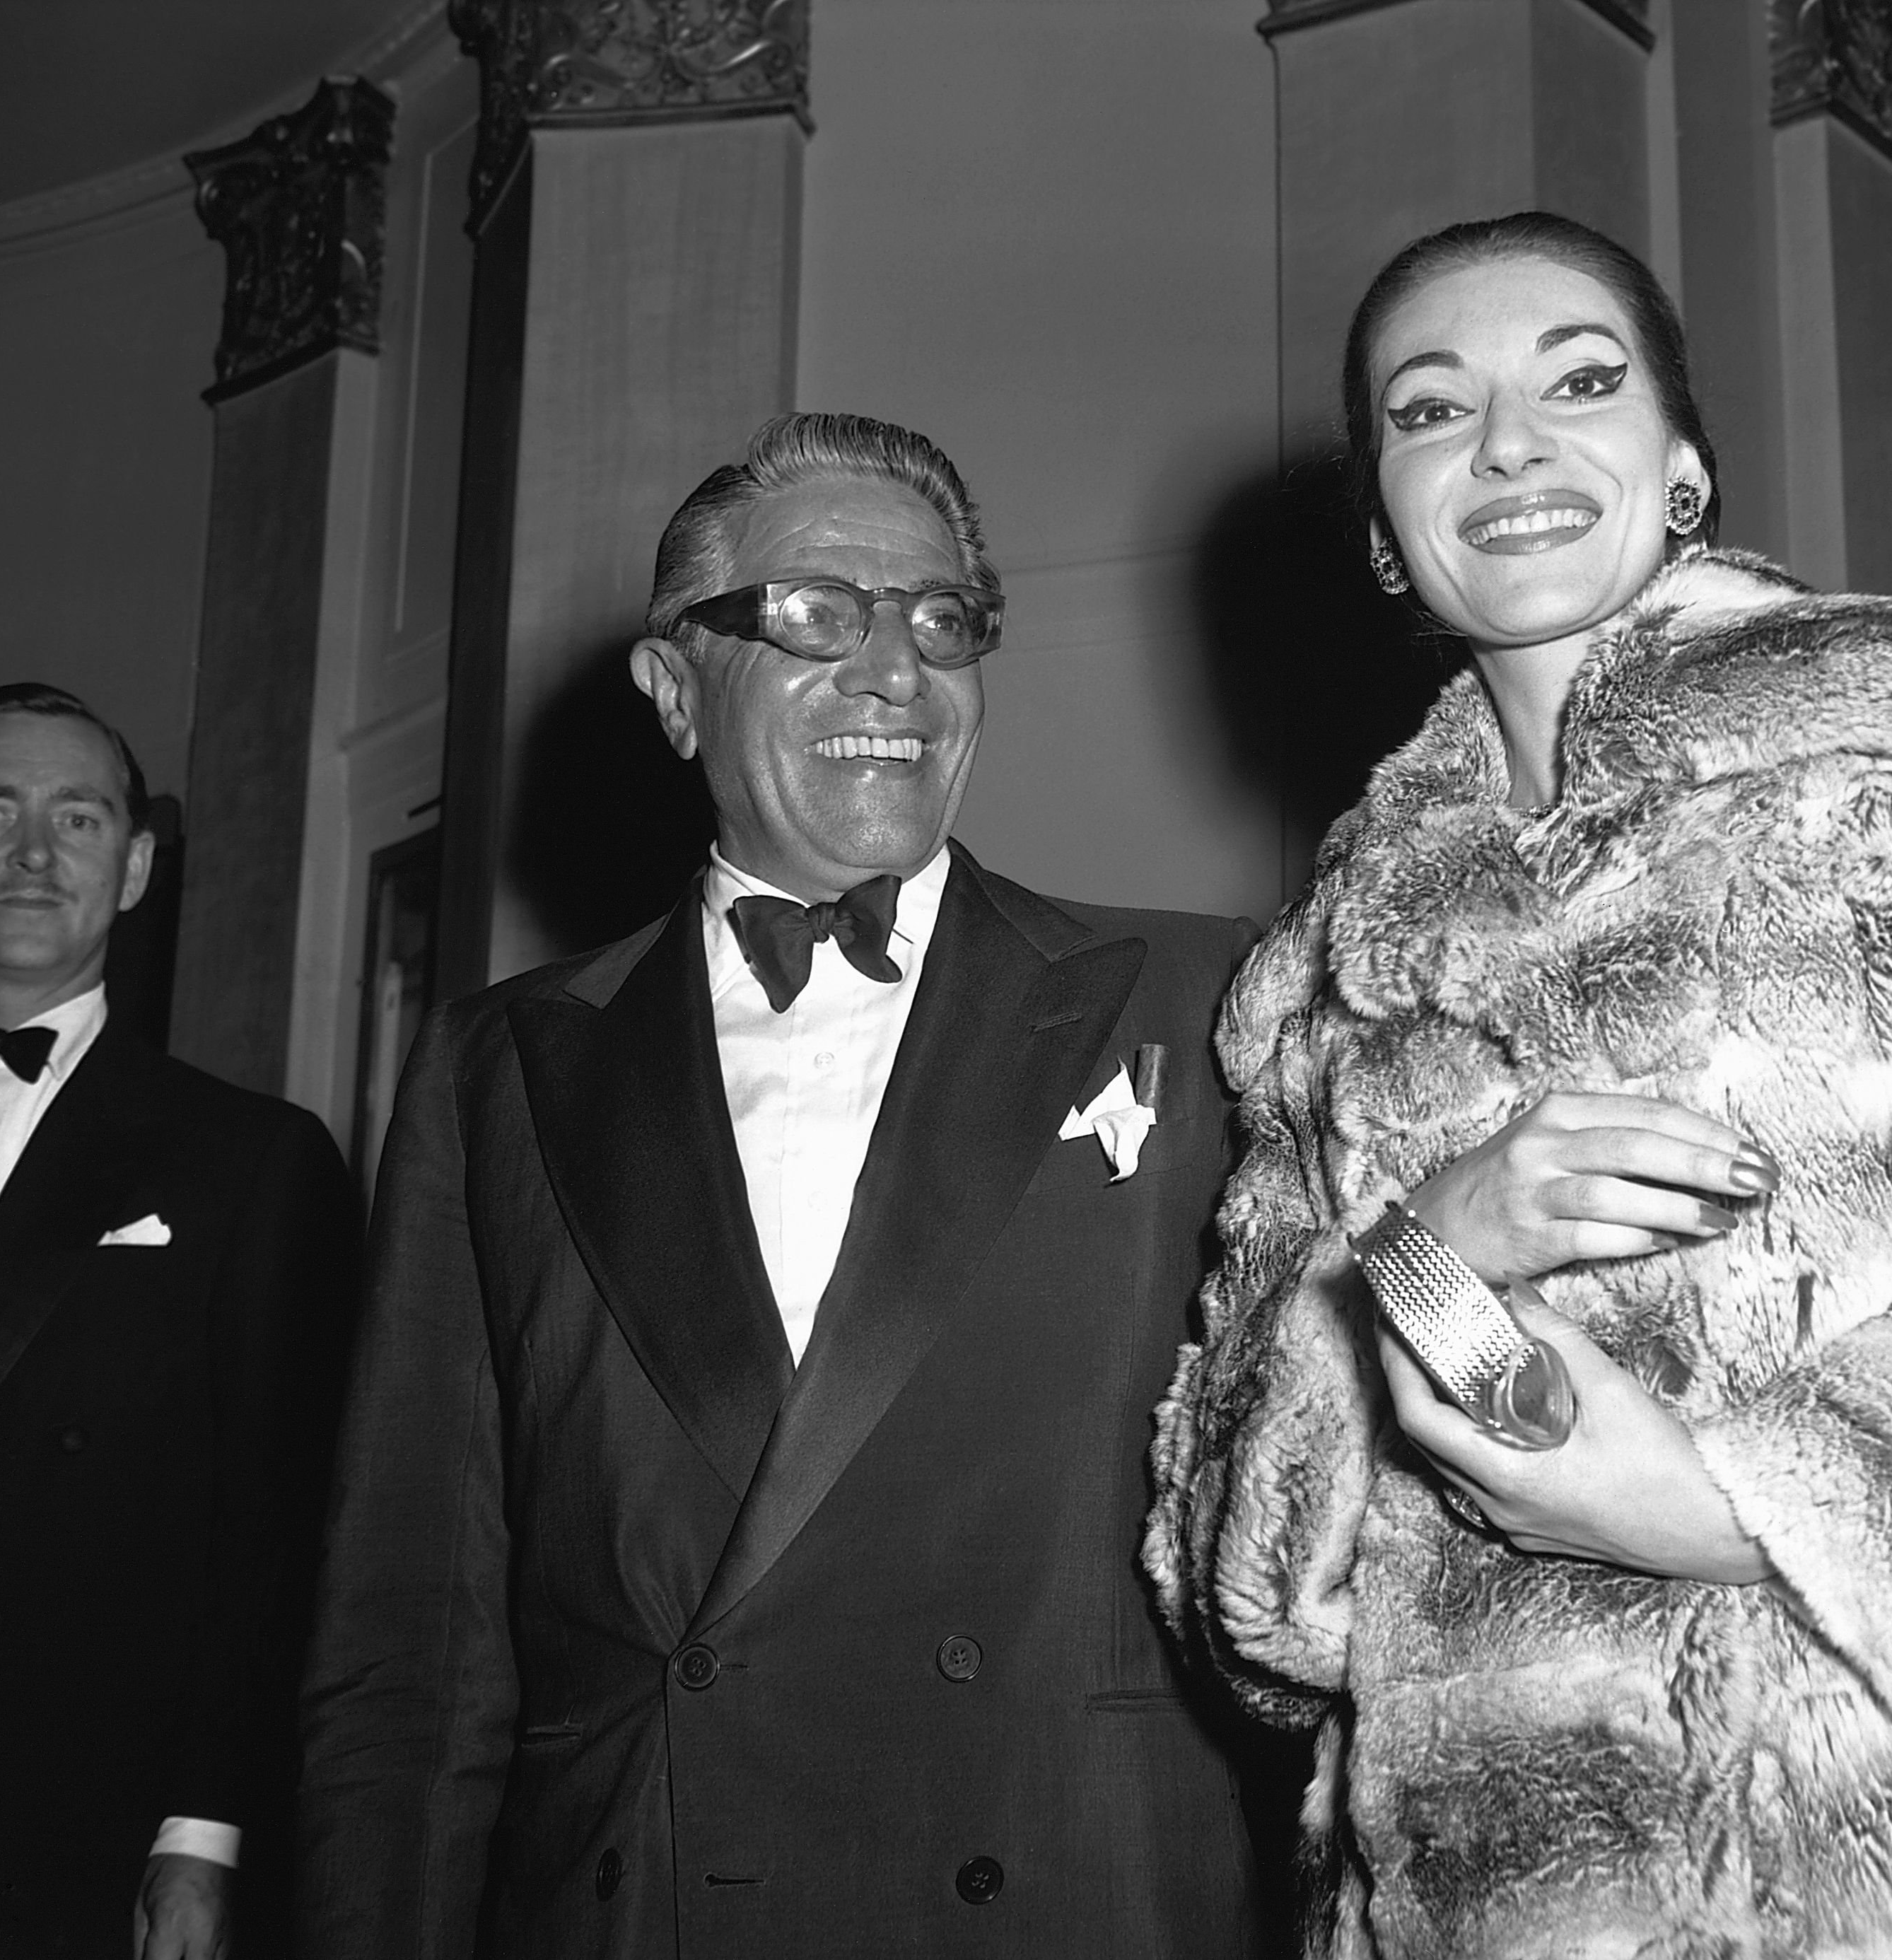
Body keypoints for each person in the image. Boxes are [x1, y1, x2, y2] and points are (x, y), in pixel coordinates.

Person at [1148, 211, 1892, 1957]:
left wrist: (1744, 1511)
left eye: (1581, 381)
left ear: (1685, 469)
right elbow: (1254, 1604)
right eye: (1429, 411)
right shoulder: (1320, 981)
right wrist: (1425, 1252)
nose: (1507, 443)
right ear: (1379, 534)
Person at [296, 412, 1272, 1958]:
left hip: (1076, 1887)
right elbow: (412, 1641)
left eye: (941, 620)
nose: (896, 670)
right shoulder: (501, 1067)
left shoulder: (1195, 994)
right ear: (676, 689)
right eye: (819, 612)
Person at [0, 684, 361, 1957]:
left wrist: (204, 1838)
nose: (32, 852)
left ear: (134, 867)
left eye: (79, 816)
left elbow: (273, 1534)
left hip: (78, 1835)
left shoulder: (253, 1161)